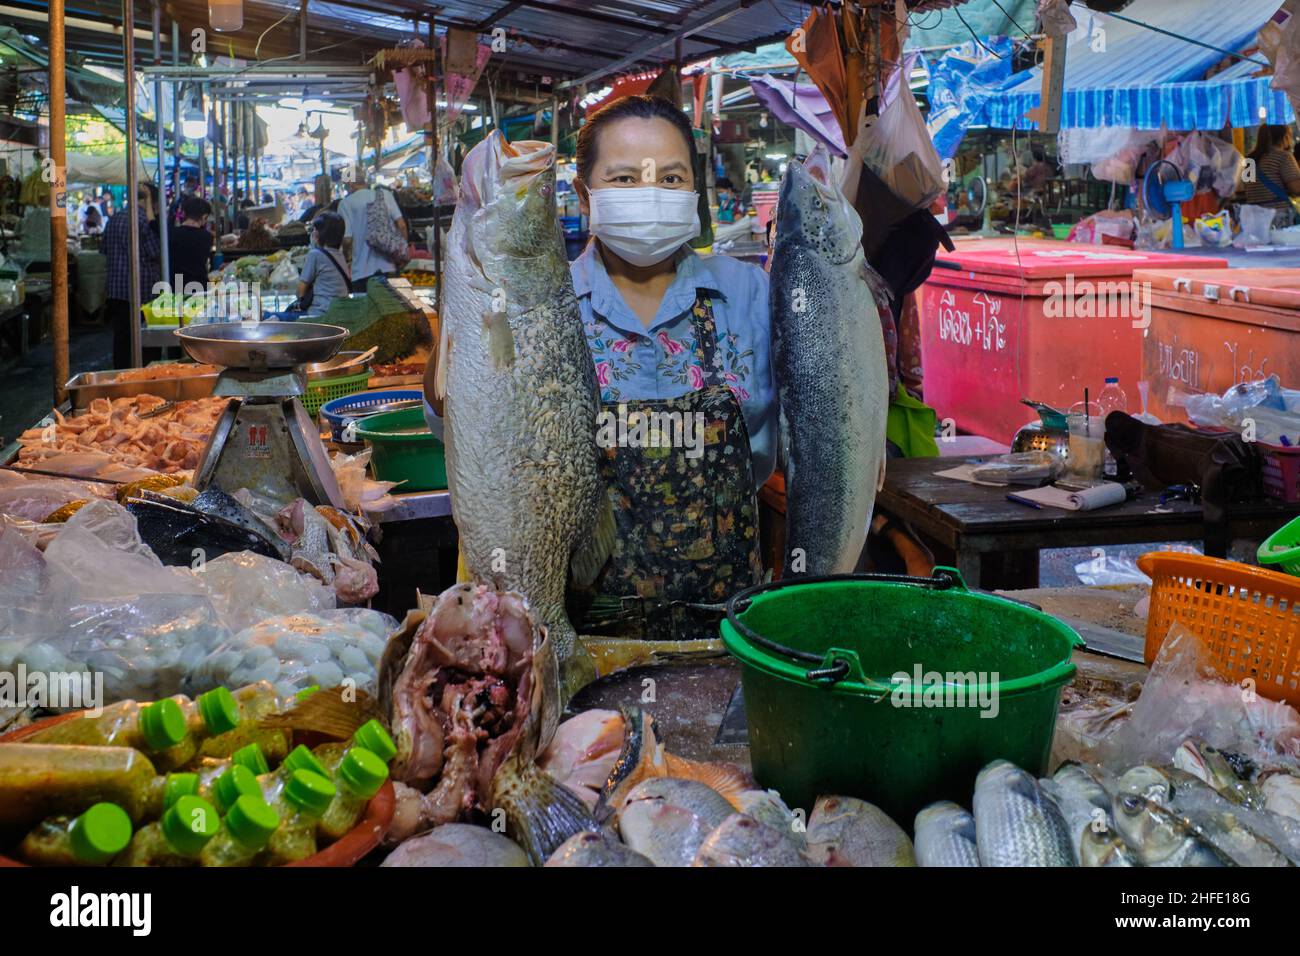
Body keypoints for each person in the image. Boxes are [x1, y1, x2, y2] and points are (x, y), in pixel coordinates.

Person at [426, 94, 775, 651]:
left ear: (694, 192)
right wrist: (462, 326)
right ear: (585, 197)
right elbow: (458, 427)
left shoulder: (751, 294)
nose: (650, 192)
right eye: (625, 178)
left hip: (731, 637)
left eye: (670, 177)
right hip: (577, 634)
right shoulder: (539, 302)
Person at [103, 183, 161, 368]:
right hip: (141, 289)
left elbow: (104, 249)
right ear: (149, 200)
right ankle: (143, 375)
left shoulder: (114, 219)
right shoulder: (143, 221)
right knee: (145, 339)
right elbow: (155, 251)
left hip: (116, 289)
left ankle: (120, 374)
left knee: (121, 338)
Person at [337, 166, 407, 292]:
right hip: (389, 269)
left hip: (361, 274)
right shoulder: (385, 195)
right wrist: (403, 252)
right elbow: (401, 225)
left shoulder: (345, 204)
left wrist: (346, 257)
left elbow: (347, 239)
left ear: (350, 183)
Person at [277, 211, 350, 320]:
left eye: (315, 229)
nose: (313, 233)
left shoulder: (315, 254)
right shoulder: (340, 255)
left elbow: (300, 292)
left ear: (318, 234)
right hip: (338, 313)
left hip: (318, 314)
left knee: (272, 316)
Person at [1243, 123, 1300, 225]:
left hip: (1255, 218)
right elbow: (1297, 188)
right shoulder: (1283, 156)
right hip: (1278, 217)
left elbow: (1248, 190)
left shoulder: (1249, 160)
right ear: (1284, 136)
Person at [168, 195, 214, 294]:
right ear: (204, 217)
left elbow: (152, 223)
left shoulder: (171, 233)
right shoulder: (206, 237)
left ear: (184, 214)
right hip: (200, 287)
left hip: (176, 287)